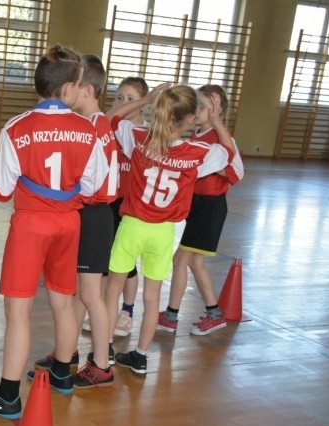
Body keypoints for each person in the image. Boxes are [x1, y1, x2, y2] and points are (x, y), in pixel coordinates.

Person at [0, 45, 109, 419]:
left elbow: (2, 190)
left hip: (31, 225)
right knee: (63, 303)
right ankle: (62, 373)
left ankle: (8, 396)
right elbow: (92, 189)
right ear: (69, 89)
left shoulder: (15, 128)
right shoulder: (88, 131)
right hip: (69, 223)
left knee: (19, 311)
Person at [104, 84, 235, 375]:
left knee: (112, 291)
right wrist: (216, 121)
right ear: (189, 119)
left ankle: (105, 351)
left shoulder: (139, 138)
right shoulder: (197, 152)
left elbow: (110, 119)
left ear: (158, 110)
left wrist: (147, 99)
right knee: (152, 299)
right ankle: (139, 356)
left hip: (132, 225)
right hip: (164, 232)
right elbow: (231, 158)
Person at [33, 54, 118, 389]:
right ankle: (65, 354)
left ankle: (101, 364)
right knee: (75, 293)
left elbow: (96, 183)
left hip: (93, 215)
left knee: (91, 295)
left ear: (86, 90)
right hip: (88, 214)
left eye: (72, 85)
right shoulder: (94, 125)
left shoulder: (93, 128)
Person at [158, 85, 244, 336]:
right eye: (195, 105)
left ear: (218, 112)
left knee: (180, 260)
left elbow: (237, 172)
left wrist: (214, 165)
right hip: (197, 206)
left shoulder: (222, 138)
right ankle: (215, 314)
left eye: (204, 107)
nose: (197, 110)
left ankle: (171, 317)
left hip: (211, 207)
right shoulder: (196, 136)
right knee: (196, 263)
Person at [108, 77, 149, 338]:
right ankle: (107, 308)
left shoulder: (146, 135)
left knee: (128, 263)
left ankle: (127, 310)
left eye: (131, 99)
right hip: (110, 202)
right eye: (119, 97)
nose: (123, 103)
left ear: (144, 104)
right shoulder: (110, 128)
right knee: (110, 261)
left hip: (132, 206)